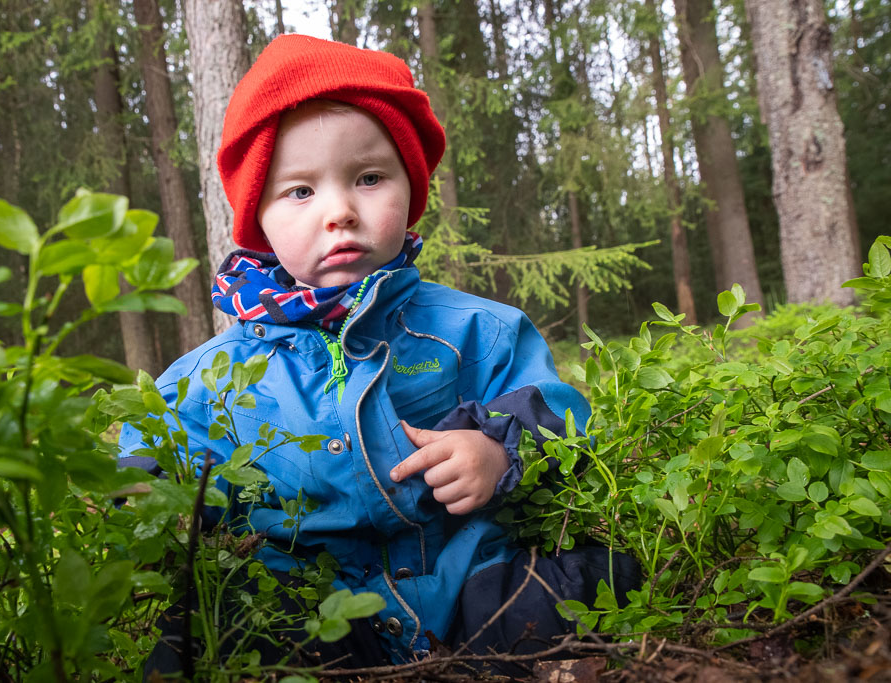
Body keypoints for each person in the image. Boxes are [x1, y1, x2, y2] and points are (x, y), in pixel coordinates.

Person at [118, 33, 639, 676]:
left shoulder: (477, 330)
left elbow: (559, 414)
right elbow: (147, 460)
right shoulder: (212, 378)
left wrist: (499, 450)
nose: (339, 210)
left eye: (368, 178)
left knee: (588, 587)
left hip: (463, 584)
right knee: (208, 641)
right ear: (259, 218)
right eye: (300, 191)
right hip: (312, 609)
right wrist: (145, 498)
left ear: (409, 188)